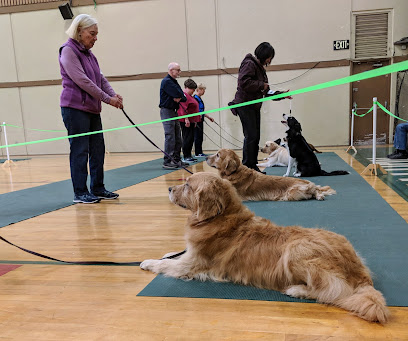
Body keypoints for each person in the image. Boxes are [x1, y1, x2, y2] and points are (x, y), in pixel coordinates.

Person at [59, 14, 123, 204]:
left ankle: (98, 187)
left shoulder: (89, 54)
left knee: (98, 149)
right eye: (92, 34)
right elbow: (83, 81)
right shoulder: (69, 51)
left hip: (92, 109)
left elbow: (100, 78)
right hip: (75, 108)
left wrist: (114, 95)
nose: (96, 38)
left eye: (96, 34)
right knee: (80, 151)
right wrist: (107, 99)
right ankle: (80, 192)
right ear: (80, 31)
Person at [229, 42, 290, 173]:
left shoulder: (259, 68)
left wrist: (282, 95)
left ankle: (252, 166)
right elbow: (243, 82)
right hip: (245, 105)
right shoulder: (249, 64)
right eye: (269, 57)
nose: (269, 60)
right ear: (264, 55)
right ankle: (247, 167)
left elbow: (267, 91)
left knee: (255, 137)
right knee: (251, 136)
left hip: (254, 106)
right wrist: (261, 85)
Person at [159, 62, 189, 169]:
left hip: (174, 111)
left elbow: (183, 97)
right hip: (167, 111)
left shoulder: (174, 82)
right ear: (171, 70)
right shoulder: (167, 81)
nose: (179, 72)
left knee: (178, 137)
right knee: (170, 136)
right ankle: (167, 161)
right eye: (178, 70)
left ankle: (176, 159)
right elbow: (179, 94)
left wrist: (179, 96)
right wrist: (179, 96)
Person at [178, 79, 200, 162]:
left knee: (191, 138)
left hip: (191, 121)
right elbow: (183, 108)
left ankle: (189, 155)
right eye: (192, 89)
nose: (193, 91)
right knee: (187, 138)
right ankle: (186, 155)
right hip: (185, 121)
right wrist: (186, 119)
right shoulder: (184, 96)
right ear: (187, 87)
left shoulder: (190, 96)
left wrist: (194, 121)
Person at [193, 83, 214, 157]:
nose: (204, 92)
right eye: (203, 90)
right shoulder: (195, 98)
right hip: (197, 120)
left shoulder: (199, 99)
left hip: (201, 119)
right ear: (199, 90)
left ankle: (200, 151)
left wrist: (208, 117)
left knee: (200, 136)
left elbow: (201, 111)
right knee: (197, 136)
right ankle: (197, 153)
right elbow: (196, 111)